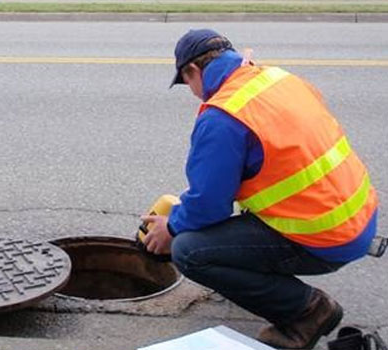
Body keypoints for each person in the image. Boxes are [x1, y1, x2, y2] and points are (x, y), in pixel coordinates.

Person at [141, 29, 378, 350]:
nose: (195, 94)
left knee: (189, 251)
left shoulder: (222, 117)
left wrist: (170, 227)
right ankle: (262, 284)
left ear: (192, 71)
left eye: (187, 83)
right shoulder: (278, 80)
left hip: (325, 235)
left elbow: (209, 206)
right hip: (358, 217)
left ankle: (306, 311)